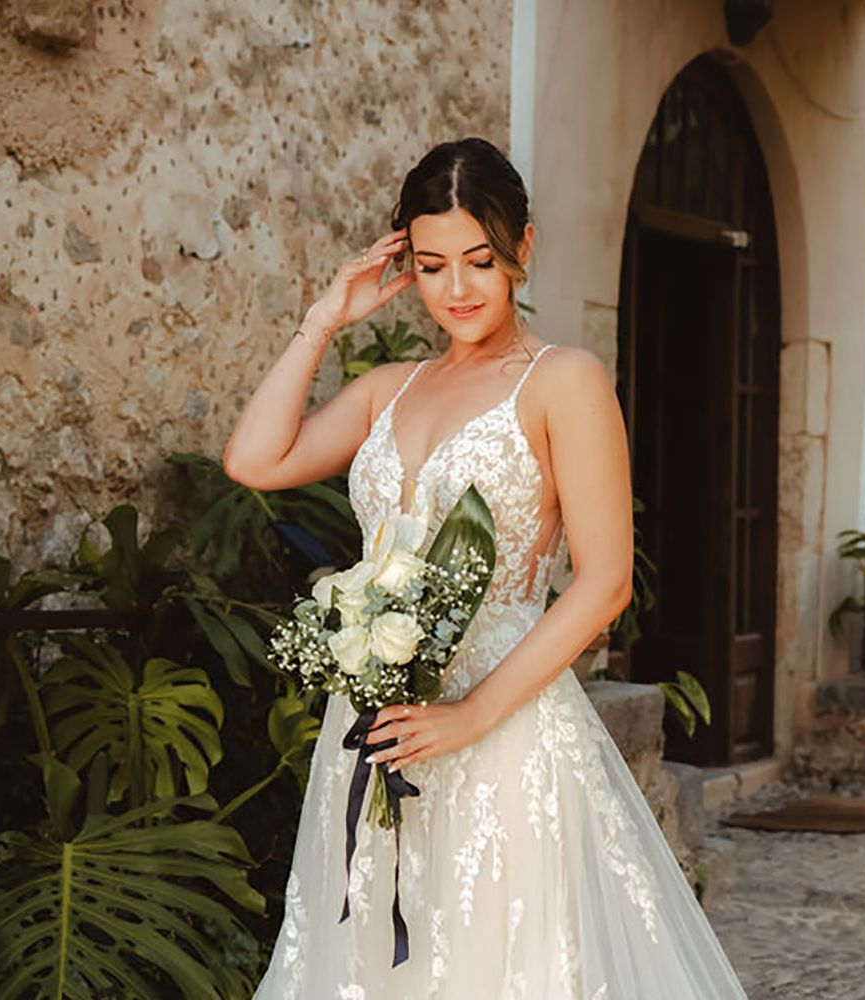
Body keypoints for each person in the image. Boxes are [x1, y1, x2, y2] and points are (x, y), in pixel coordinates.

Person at [223, 137, 748, 999]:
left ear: (522, 249)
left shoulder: (562, 381)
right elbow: (253, 460)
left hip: (505, 732)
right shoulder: (389, 388)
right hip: (378, 731)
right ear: (407, 264)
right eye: (432, 266)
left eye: (480, 259)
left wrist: (469, 715)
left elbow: (606, 582)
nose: (458, 289)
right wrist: (324, 320)